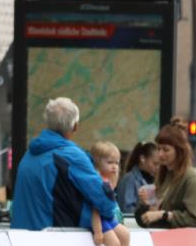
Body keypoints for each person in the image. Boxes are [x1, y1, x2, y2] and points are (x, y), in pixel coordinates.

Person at [11, 97, 118, 231]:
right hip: (57, 242)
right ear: (75, 126)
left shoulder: (29, 154)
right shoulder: (73, 156)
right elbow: (104, 201)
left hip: (20, 242)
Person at [89, 141, 147, 246]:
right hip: (101, 220)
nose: (114, 166)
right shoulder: (96, 182)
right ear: (97, 162)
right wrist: (98, 232)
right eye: (109, 162)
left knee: (125, 235)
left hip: (109, 218)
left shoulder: (107, 180)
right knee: (114, 244)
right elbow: (95, 209)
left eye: (117, 162)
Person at [134, 122, 196, 228]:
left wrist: (163, 215)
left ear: (179, 151)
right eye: (158, 149)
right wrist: (148, 204)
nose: (160, 154)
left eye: (165, 149)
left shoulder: (191, 178)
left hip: (179, 241)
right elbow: (156, 212)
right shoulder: (164, 175)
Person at [115, 141, 158, 213]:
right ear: (142, 159)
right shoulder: (129, 179)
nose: (158, 168)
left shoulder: (154, 179)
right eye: (155, 164)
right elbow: (126, 209)